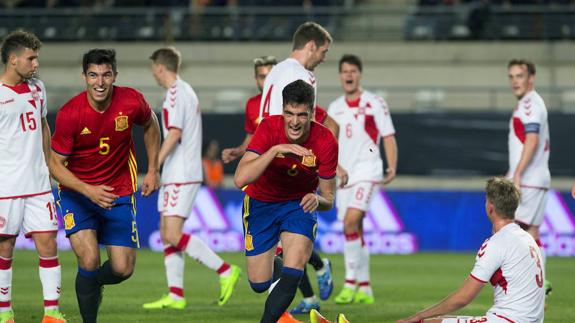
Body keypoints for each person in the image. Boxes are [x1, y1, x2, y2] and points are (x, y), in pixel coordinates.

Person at [49, 49, 161, 323]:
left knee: (123, 269)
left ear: (115, 76)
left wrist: (154, 169)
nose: (100, 82)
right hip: (78, 194)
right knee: (88, 260)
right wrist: (88, 190)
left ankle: (92, 283)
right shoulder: (70, 113)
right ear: (84, 77)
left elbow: (151, 123)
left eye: (106, 74)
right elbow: (53, 165)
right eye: (93, 75)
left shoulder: (131, 100)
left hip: (118, 192)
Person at [234, 80, 342, 323]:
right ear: (282, 110)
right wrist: (275, 149)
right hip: (261, 203)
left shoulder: (325, 142)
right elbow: (240, 179)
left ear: (312, 113)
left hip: (297, 205)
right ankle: (281, 265)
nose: (294, 121)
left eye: (302, 115)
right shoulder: (269, 128)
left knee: (294, 272)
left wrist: (317, 199)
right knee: (259, 284)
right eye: (289, 113)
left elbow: (328, 199)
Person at [142, 47, 241, 310]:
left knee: (172, 233)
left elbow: (174, 134)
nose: (153, 72)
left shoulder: (176, 93)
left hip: (182, 173)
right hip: (179, 172)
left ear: (160, 67)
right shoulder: (185, 91)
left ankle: (225, 270)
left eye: (154, 67)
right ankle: (175, 294)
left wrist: (154, 167)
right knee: (166, 233)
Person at [397, 177, 545, 323]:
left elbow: (463, 298)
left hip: (509, 320)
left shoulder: (497, 243)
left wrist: (419, 316)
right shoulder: (528, 239)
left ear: (490, 207)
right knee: (443, 320)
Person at [0, 30, 66, 323]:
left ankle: (51, 312)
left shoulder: (38, 87)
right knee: (5, 247)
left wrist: (50, 164)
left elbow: (43, 127)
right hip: (6, 185)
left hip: (39, 184)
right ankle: (5, 313)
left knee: (48, 242)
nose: (35, 63)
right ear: (13, 60)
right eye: (31, 58)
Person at [328, 54, 397, 305]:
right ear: (339, 75)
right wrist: (334, 168)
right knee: (356, 230)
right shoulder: (334, 108)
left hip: (368, 171)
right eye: (344, 71)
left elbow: (388, 135)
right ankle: (365, 286)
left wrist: (392, 166)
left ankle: (349, 283)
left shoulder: (375, 103)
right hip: (344, 176)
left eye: (353, 71)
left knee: (350, 222)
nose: (348, 75)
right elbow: (329, 144)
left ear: (360, 74)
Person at [506, 59, 552, 295]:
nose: (515, 81)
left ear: (531, 78)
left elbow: (532, 141)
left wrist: (517, 174)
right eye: (511, 76)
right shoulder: (532, 103)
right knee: (531, 233)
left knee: (510, 232)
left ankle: (532, 287)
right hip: (536, 178)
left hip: (529, 179)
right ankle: (539, 285)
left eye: (520, 76)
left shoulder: (529, 105)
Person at [258, 21, 332, 119]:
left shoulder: (275, 70)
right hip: (282, 134)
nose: (323, 59)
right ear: (312, 46)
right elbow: (303, 125)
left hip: (265, 133)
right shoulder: (302, 75)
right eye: (323, 52)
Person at [221, 55, 277, 164]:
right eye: (262, 77)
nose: (267, 81)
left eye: (270, 76)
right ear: (256, 78)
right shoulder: (251, 104)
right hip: (261, 168)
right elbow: (251, 137)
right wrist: (238, 151)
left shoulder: (288, 100)